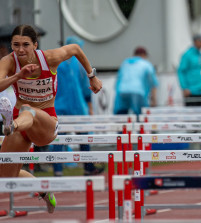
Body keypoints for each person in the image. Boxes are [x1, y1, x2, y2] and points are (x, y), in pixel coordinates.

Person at [0, 25, 102, 213]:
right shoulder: (9, 61)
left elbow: (75, 49)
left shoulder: (49, 58)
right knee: (5, 177)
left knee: (27, 109)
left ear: (35, 45)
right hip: (21, 126)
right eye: (16, 45)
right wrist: (18, 75)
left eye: (25, 45)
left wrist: (92, 76)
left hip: (46, 123)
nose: (20, 49)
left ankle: (10, 125)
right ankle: (45, 191)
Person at [53, 36, 104, 176]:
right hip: (75, 106)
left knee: (58, 138)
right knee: (83, 137)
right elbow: (86, 86)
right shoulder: (80, 64)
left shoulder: (57, 62)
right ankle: (88, 167)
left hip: (59, 105)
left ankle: (58, 171)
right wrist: (90, 106)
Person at [113, 46, 159, 119]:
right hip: (137, 91)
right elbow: (153, 82)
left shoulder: (125, 63)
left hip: (121, 91)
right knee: (140, 116)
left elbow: (118, 80)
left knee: (121, 117)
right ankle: (140, 129)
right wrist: (154, 99)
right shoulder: (146, 64)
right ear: (143, 55)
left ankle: (120, 130)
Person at [177, 34, 201, 106]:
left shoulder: (200, 55)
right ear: (195, 41)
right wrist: (184, 87)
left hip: (200, 90)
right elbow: (181, 71)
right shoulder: (187, 55)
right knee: (191, 116)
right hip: (190, 91)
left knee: (200, 115)